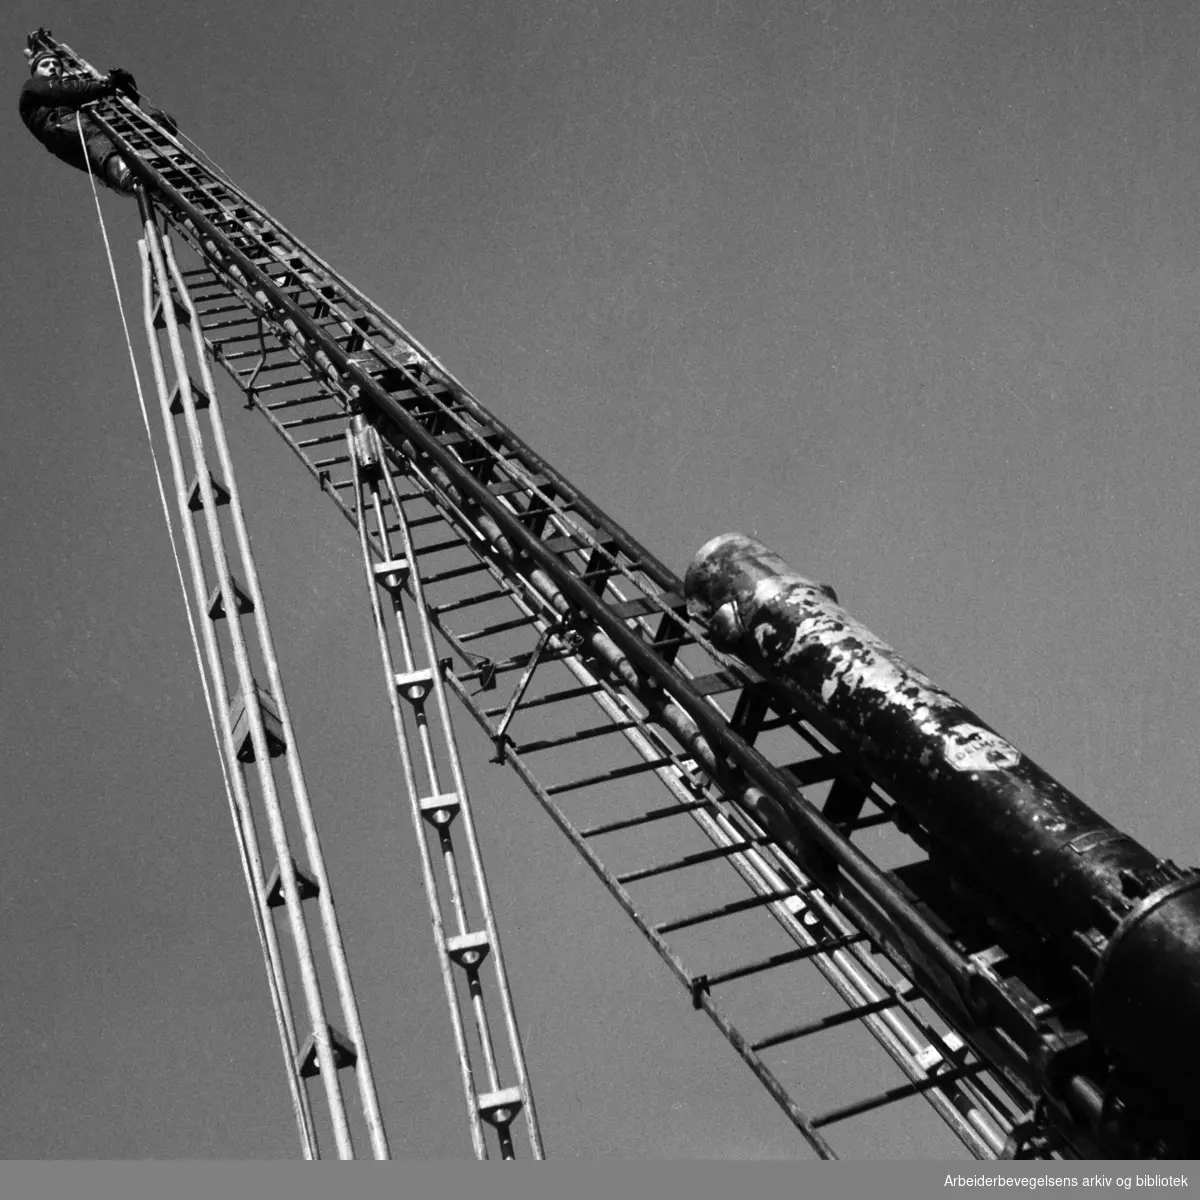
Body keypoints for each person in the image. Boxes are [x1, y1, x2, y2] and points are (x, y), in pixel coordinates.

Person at [19, 49, 161, 194]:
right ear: (35, 72)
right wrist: (107, 86)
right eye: (45, 65)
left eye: (56, 64)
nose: (52, 67)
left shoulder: (73, 97)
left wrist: (128, 92)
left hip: (77, 129)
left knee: (156, 120)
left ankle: (152, 154)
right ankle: (123, 173)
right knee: (90, 132)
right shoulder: (33, 86)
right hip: (61, 128)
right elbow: (65, 90)